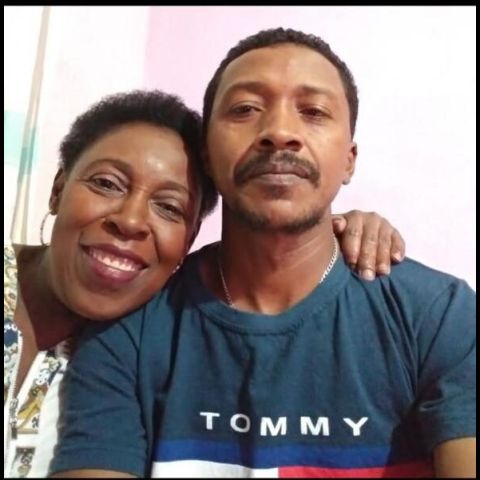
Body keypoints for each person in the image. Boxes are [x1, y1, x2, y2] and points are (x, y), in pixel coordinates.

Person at [51, 28, 476, 478]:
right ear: (207, 154)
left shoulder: (439, 316)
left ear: (349, 159)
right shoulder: (127, 335)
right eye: (245, 109)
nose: (279, 132)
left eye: (313, 111)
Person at [3, 89, 405, 478]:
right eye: (107, 184)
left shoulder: (149, 348)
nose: (130, 221)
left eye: (169, 207)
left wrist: (336, 235)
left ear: (190, 239)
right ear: (58, 190)